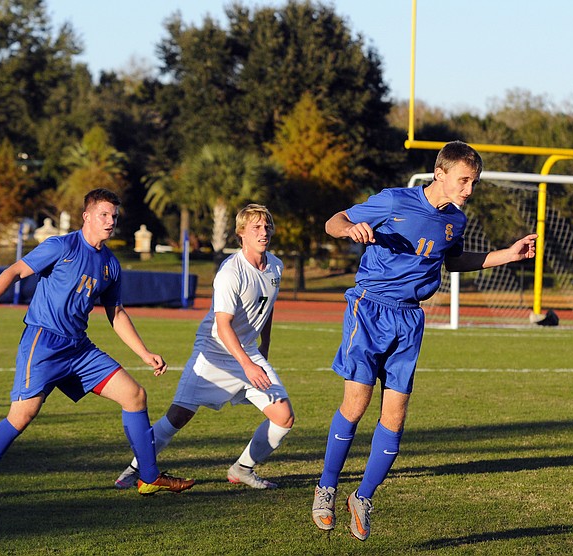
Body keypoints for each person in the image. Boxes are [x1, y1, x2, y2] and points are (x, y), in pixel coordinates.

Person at [310, 141, 536, 541]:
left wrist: (509, 254)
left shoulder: (457, 221)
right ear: (440, 174)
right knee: (357, 403)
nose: (469, 189)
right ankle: (326, 487)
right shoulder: (393, 201)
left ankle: (361, 497)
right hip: (370, 308)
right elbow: (334, 221)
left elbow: (455, 261)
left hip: (410, 318)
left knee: (395, 418)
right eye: (463, 180)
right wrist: (349, 228)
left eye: (474, 182)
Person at [0, 188, 194, 498]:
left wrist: (144, 352)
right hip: (43, 342)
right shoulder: (61, 246)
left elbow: (116, 313)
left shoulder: (111, 264)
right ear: (87, 216)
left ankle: (148, 477)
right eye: (104, 215)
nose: (110, 221)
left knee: (135, 395)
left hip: (79, 349)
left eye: (114, 216)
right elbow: (15, 271)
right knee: (22, 415)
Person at [114, 204, 294, 491]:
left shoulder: (276, 265)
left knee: (284, 417)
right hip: (213, 353)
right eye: (256, 227)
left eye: (267, 226)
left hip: (247, 351)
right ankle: (135, 468)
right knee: (178, 417)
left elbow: (266, 306)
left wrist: (264, 346)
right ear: (241, 234)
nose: (264, 232)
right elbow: (223, 327)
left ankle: (242, 469)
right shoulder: (230, 272)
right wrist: (248, 365)